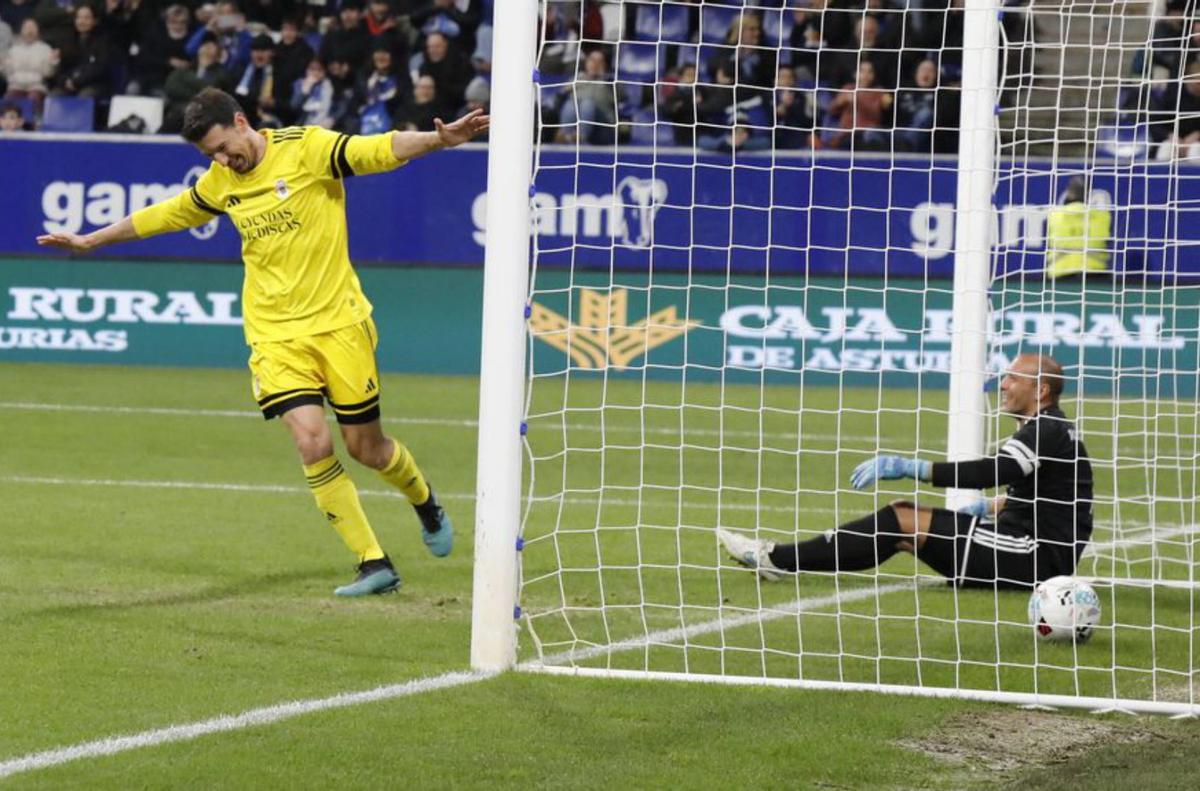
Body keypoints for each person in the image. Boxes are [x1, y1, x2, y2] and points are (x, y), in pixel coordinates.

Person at [36, 87, 490, 597]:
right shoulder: (221, 181)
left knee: (368, 448)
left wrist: (439, 139)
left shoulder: (308, 149)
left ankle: (425, 502)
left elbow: (379, 149)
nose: (220, 159)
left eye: (221, 146)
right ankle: (372, 561)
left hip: (339, 323)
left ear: (240, 120)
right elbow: (168, 213)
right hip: (274, 334)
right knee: (311, 441)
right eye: (208, 155)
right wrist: (91, 239)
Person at [719, 354, 1094, 590]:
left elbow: (990, 470)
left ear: (1041, 390)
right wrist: (986, 509)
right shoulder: (1054, 429)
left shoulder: (1046, 429)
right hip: (1031, 548)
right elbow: (1044, 498)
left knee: (902, 519)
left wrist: (911, 468)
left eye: (1013, 377)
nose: (1003, 383)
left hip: (1031, 557)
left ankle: (773, 557)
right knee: (899, 527)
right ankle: (780, 561)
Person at [1045, 175, 1111, 279]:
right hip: (1094, 274)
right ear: (1088, 195)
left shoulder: (1054, 215)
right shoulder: (1102, 216)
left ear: (1069, 194)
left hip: (1060, 274)